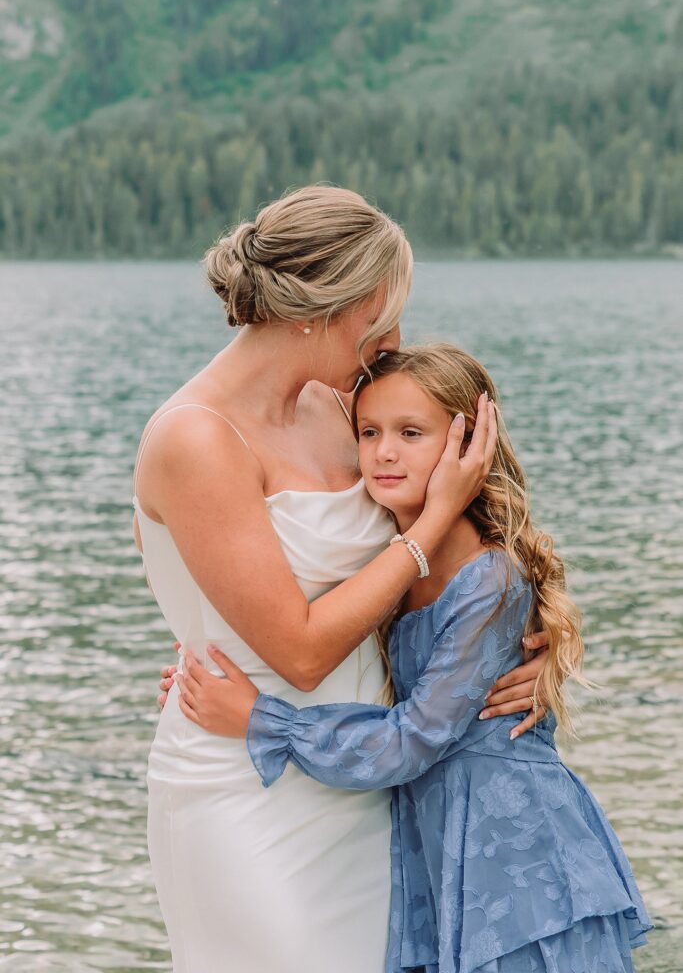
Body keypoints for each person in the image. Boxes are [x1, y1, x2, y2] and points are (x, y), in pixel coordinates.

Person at [135, 187, 551, 973]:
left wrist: (515, 653)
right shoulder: (194, 438)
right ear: (319, 312)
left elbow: (466, 550)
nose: (392, 340)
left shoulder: (339, 407)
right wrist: (429, 526)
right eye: (381, 316)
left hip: (373, 775)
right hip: (246, 782)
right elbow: (296, 651)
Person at [176, 343, 651, 973]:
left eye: (410, 433)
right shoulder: (393, 562)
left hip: (513, 849)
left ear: (468, 446)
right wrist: (220, 663)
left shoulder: (489, 578)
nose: (384, 452)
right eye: (369, 432)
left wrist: (262, 719)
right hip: (440, 844)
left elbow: (413, 740)